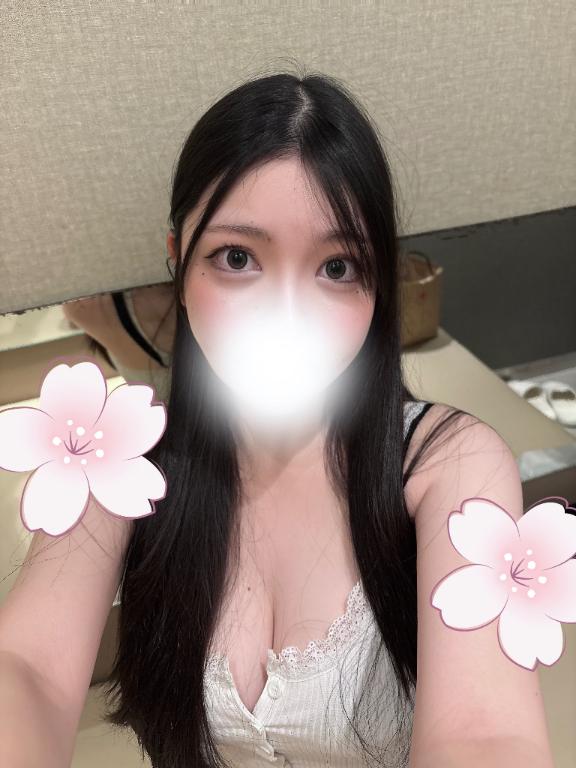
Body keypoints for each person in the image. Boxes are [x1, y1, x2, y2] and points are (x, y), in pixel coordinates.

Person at [0, 70, 554, 768]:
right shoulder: (117, 454)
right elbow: (28, 667)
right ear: (179, 264)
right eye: (237, 258)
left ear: (378, 284)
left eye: (337, 267)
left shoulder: (451, 465)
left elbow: (485, 733)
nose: (286, 316)